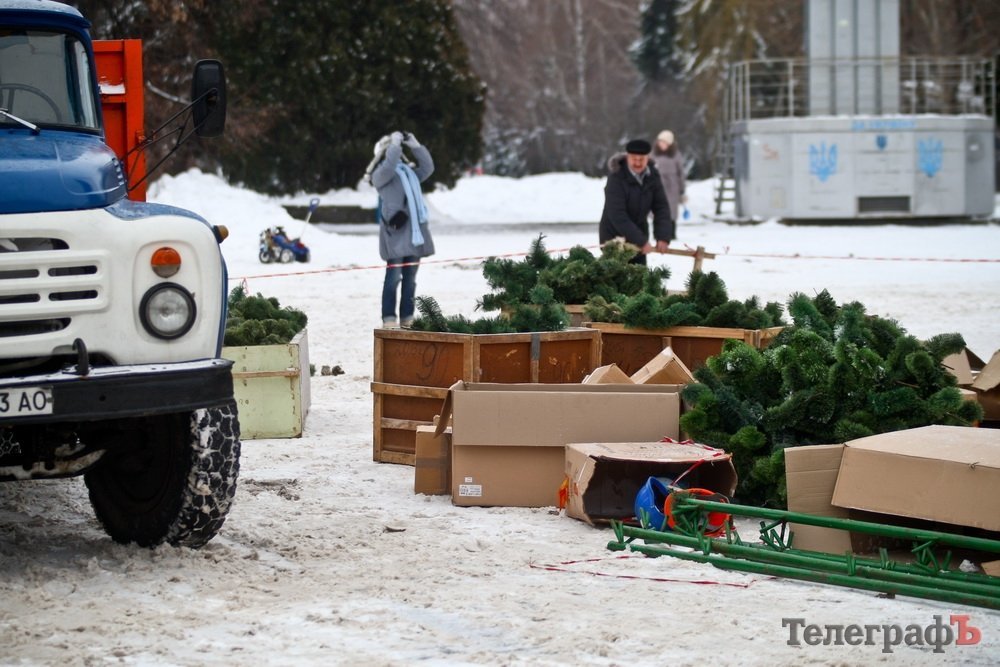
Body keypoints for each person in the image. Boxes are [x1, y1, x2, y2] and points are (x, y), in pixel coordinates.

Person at [366, 131, 435, 328]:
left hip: (415, 235)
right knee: (393, 277)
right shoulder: (380, 175)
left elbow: (428, 168)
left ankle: (407, 317)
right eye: (388, 150)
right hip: (396, 235)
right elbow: (388, 165)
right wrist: (393, 145)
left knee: (411, 279)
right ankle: (388, 317)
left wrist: (415, 146)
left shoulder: (410, 174)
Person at [598, 138, 674, 264]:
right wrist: (640, 241)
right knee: (617, 281)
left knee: (639, 280)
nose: (637, 163)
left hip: (640, 236)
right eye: (634, 159)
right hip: (614, 239)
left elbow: (661, 207)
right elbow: (617, 215)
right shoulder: (616, 177)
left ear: (647, 158)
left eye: (641, 159)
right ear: (628, 157)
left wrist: (663, 237)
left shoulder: (653, 176)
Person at [652, 129, 687, 224]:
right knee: (657, 208)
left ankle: (672, 231)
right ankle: (658, 232)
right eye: (660, 142)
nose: (662, 144)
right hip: (657, 185)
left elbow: (681, 172)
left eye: (664, 142)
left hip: (672, 186)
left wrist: (682, 188)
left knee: (671, 210)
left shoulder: (676, 155)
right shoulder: (653, 155)